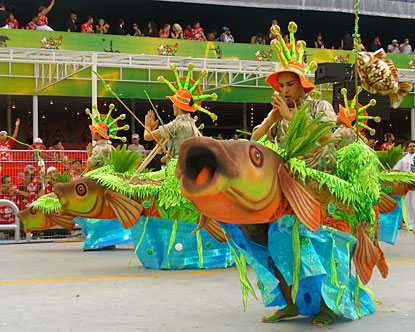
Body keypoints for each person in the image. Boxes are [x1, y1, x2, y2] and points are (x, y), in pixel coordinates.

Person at [144, 65, 216, 164]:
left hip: (177, 169)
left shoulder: (176, 125)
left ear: (177, 105)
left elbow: (147, 137)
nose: (172, 106)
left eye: (173, 103)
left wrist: (147, 125)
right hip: (188, 166)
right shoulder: (192, 124)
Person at [394, 140, 415, 231]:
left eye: (413, 146)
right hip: (406, 186)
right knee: (408, 205)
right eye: (410, 146)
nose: (412, 148)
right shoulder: (403, 159)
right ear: (407, 148)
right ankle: (410, 224)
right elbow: (396, 169)